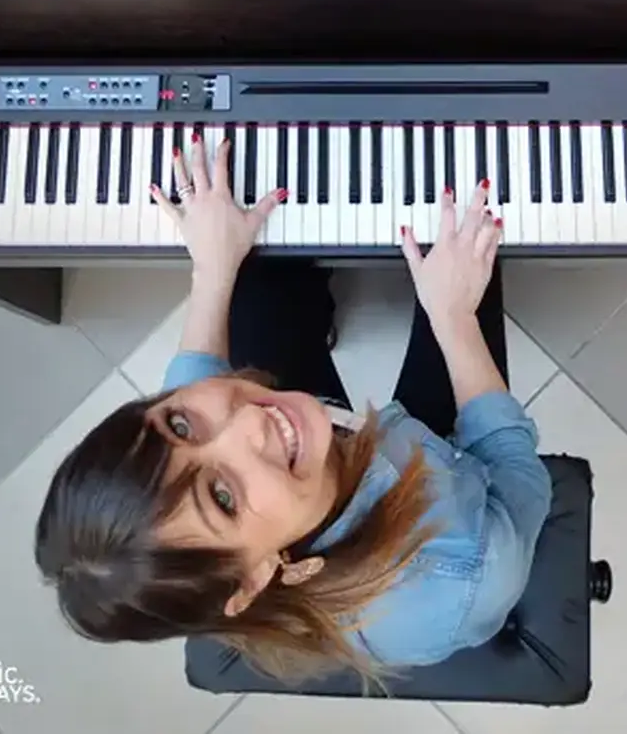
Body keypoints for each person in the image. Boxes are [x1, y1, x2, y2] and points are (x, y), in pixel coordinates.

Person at [34, 134, 552, 688]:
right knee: (467, 259)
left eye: (179, 426)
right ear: (253, 580)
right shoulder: (465, 572)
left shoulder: (210, 452)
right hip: (434, 479)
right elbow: (515, 472)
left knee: (257, 264)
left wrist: (211, 268)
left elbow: (192, 381)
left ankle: (313, 311)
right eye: (222, 497)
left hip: (310, 469)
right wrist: (454, 319)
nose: (247, 420)